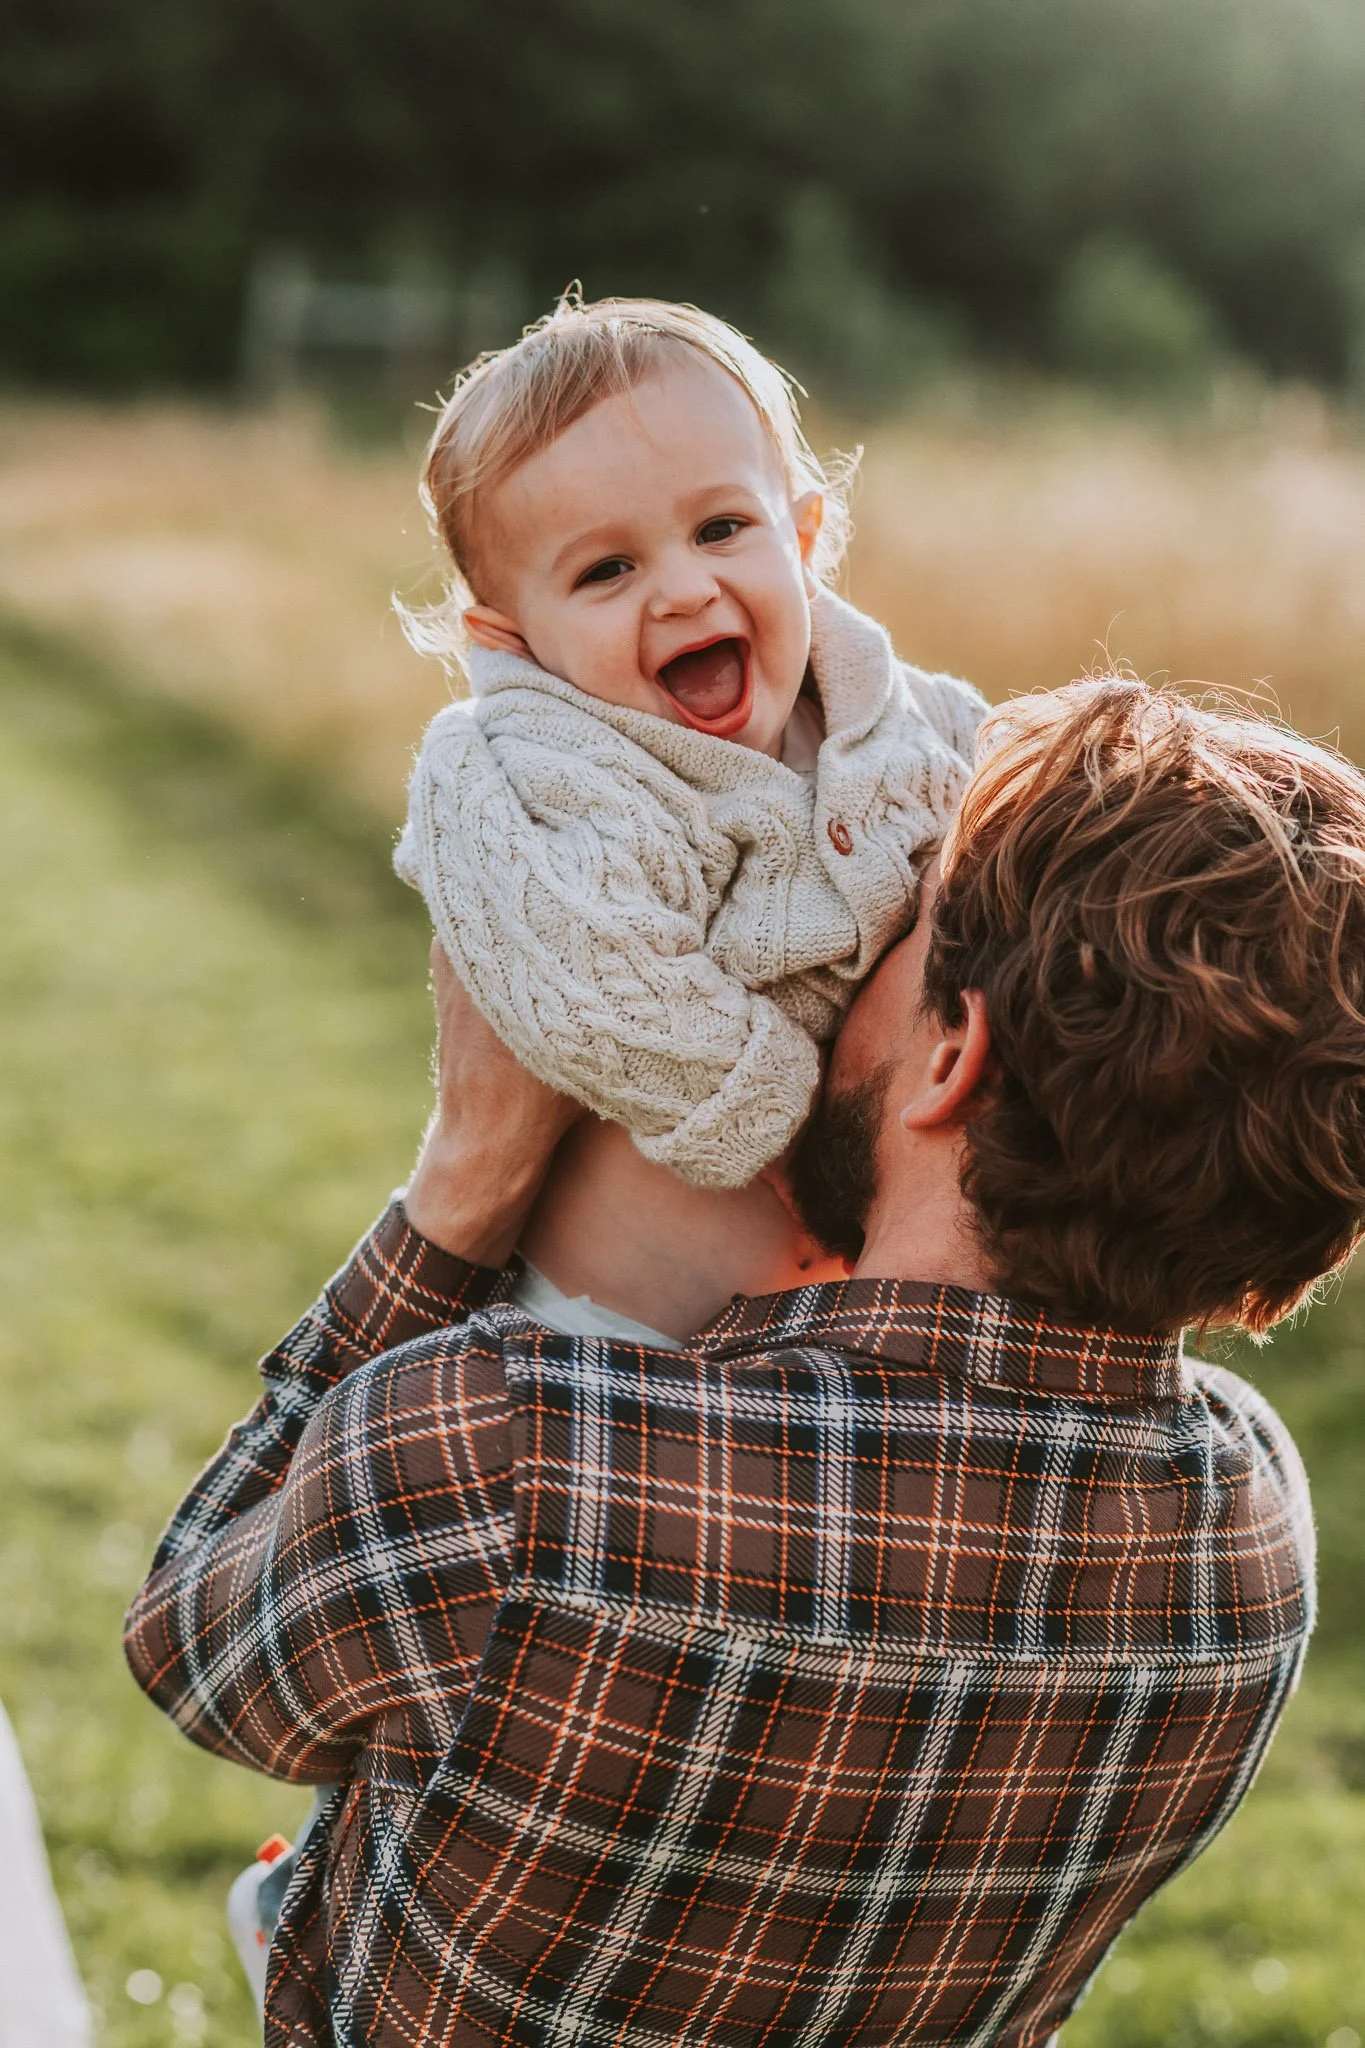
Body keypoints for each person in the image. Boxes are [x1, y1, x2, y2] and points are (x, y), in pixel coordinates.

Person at [124, 677, 1365, 2045]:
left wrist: (465, 1182)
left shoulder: (507, 1453)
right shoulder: (1251, 1545)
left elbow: (192, 1650)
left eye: (900, 930)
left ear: (954, 1055)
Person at [394, 293, 985, 1346]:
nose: (681, 589)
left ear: (802, 534)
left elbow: (1020, 807)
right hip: (604, 1332)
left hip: (828, 1326)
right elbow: (595, 985)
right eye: (606, 569)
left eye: (721, 528)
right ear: (512, 638)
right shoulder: (555, 769)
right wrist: (803, 1137)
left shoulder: (904, 714)